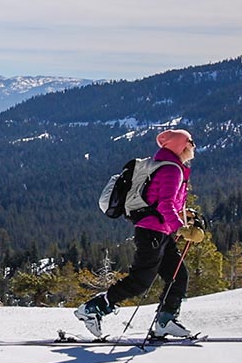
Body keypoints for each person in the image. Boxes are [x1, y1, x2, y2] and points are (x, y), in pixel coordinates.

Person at [75, 129, 206, 339]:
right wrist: (181, 228)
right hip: (152, 232)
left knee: (178, 275)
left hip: (159, 231)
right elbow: (164, 205)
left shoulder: (166, 165)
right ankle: (93, 309)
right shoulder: (172, 169)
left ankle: (166, 320)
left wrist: (186, 216)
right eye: (190, 142)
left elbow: (165, 201)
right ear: (181, 145)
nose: (193, 147)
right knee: (141, 280)